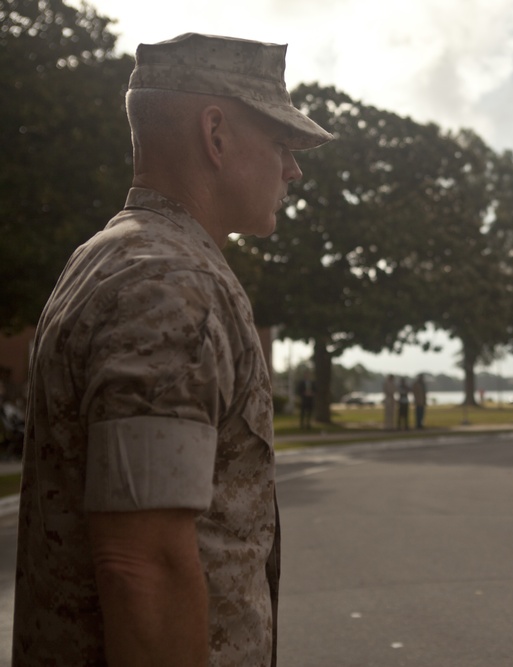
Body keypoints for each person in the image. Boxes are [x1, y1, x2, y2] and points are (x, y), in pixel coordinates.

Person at [12, 33, 332, 666]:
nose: (294, 169)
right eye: (280, 142)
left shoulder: (110, 254)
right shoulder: (168, 283)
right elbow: (143, 565)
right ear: (215, 134)